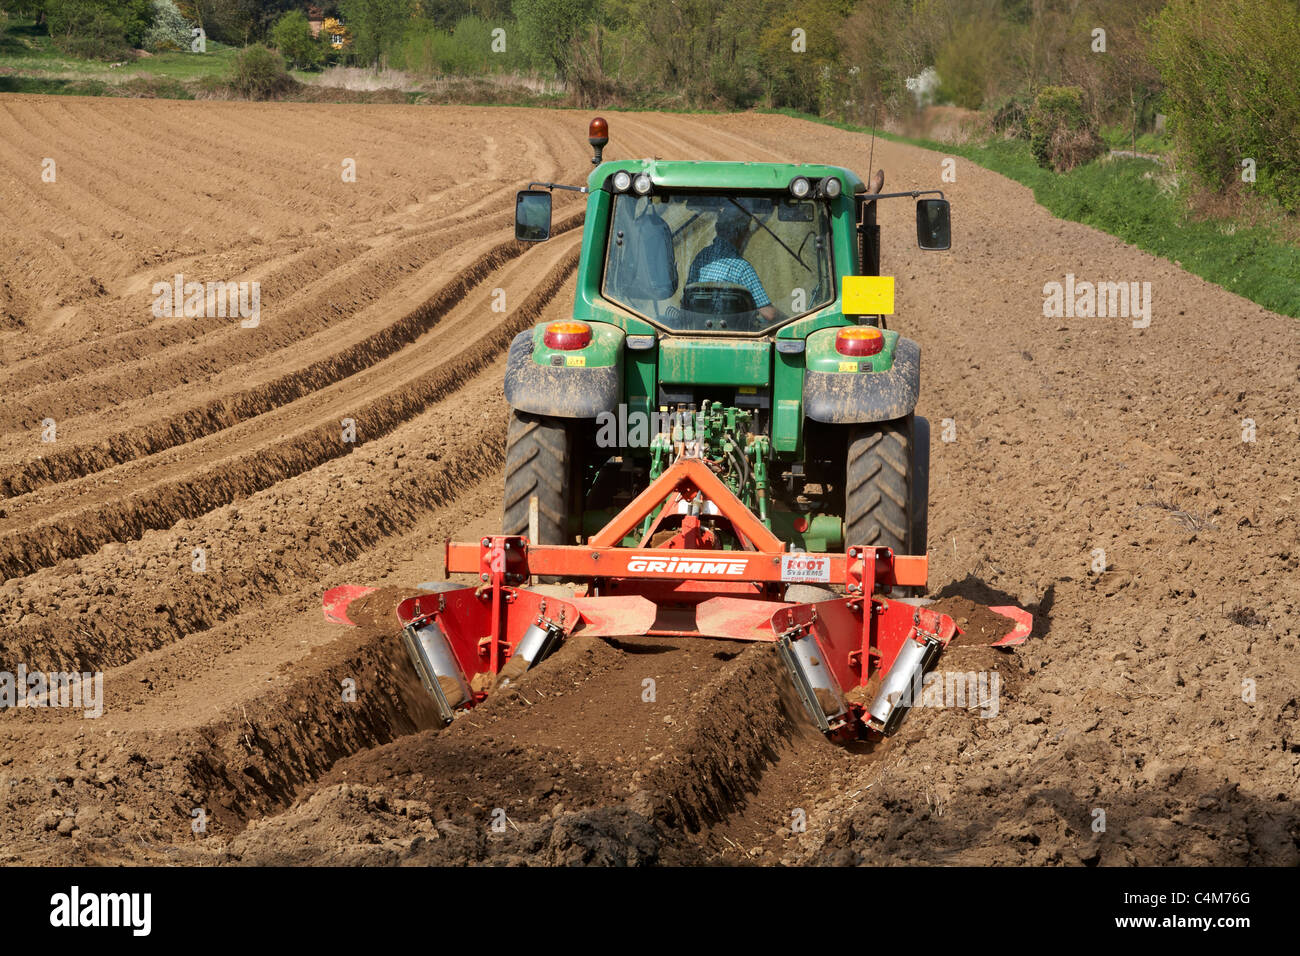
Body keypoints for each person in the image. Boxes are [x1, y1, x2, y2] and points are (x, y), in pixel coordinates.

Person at [686, 205, 778, 322]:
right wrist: (788, 319)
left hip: (697, 329)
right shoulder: (742, 268)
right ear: (739, 233)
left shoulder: (701, 258)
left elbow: (687, 297)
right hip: (734, 332)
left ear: (718, 228)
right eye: (746, 230)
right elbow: (769, 314)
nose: (747, 234)